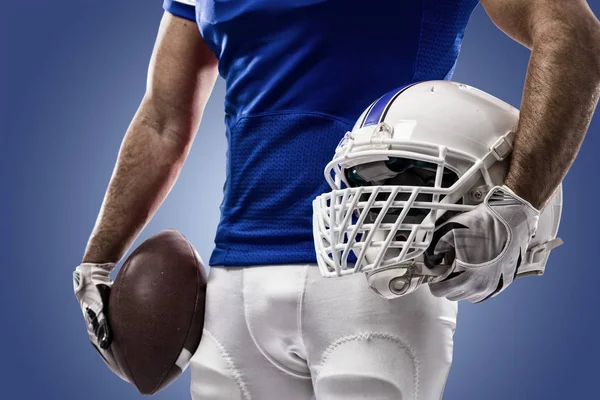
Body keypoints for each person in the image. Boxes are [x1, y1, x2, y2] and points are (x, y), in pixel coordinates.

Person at [72, 1, 600, 399]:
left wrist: (516, 204)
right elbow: (164, 118)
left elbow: (572, 35)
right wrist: (97, 260)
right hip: (231, 290)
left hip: (379, 270)